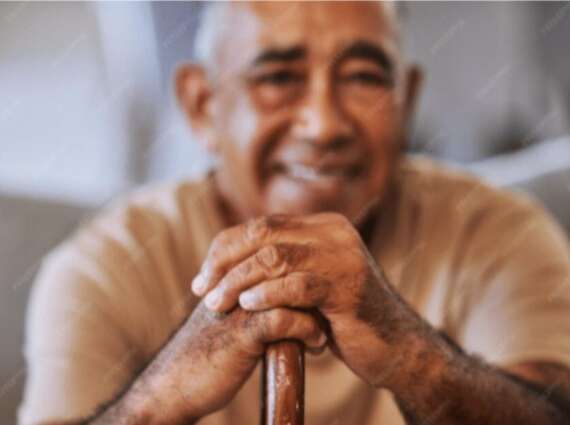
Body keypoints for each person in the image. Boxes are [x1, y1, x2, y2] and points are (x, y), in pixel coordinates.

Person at [19, 2, 570, 424]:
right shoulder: (104, 264)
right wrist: (167, 393)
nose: (324, 125)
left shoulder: (499, 230)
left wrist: (410, 354)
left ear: (405, 100)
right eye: (278, 78)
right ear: (202, 105)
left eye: (363, 77)